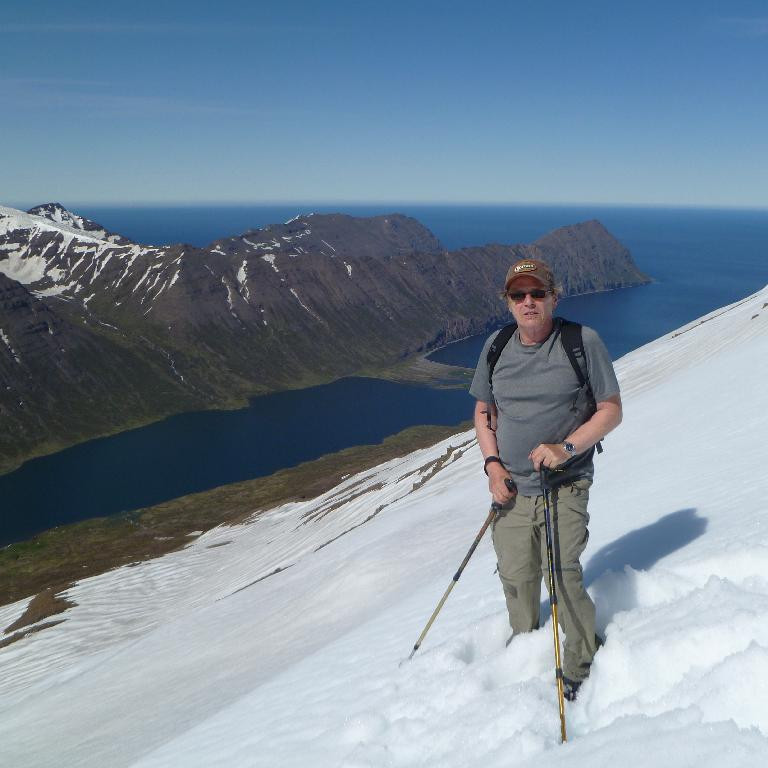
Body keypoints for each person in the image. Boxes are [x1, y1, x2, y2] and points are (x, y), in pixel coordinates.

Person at [469, 257, 622, 700]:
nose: (529, 302)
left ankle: (580, 659)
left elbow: (611, 409)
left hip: (565, 483)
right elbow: (483, 413)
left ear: (555, 297)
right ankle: (525, 643)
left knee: (562, 572)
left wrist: (566, 448)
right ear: (508, 302)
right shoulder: (497, 346)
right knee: (516, 574)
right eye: (519, 295)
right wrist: (493, 466)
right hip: (513, 486)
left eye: (538, 293)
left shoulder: (580, 342)